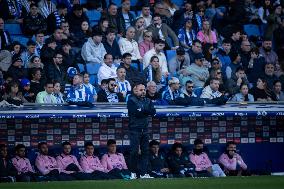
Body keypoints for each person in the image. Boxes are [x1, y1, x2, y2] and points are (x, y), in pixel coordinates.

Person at [127, 82, 156, 178]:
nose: (143, 92)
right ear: (135, 91)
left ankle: (144, 173)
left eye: (144, 90)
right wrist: (145, 111)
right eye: (141, 90)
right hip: (135, 129)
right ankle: (133, 173)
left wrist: (143, 110)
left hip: (145, 130)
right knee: (134, 152)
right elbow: (136, 112)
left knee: (145, 151)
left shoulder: (148, 100)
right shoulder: (131, 100)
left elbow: (153, 112)